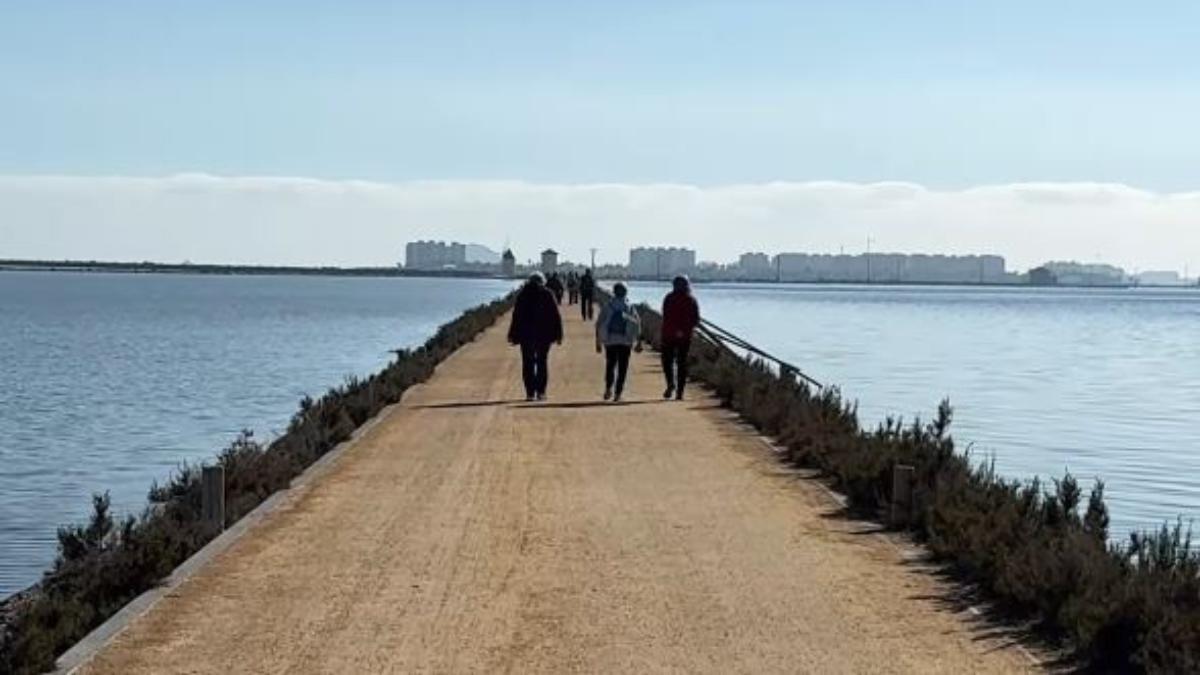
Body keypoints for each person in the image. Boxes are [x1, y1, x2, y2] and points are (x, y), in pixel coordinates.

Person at [508, 273, 563, 401]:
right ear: (542, 281)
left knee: (528, 363)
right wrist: (558, 334)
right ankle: (541, 392)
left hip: (526, 335)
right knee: (542, 362)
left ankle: (530, 393)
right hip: (544, 335)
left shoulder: (523, 294)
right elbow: (555, 316)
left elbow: (516, 316)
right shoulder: (548, 294)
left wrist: (513, 334)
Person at [594, 282, 642, 402]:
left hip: (610, 341)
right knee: (622, 368)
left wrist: (598, 342)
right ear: (625, 292)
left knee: (610, 366)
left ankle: (608, 388)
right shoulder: (629, 307)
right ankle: (618, 393)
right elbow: (637, 324)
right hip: (625, 342)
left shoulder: (608, 306)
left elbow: (599, 324)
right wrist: (638, 341)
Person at [660, 275, 699, 400]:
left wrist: (674, 330)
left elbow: (665, 315)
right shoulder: (691, 300)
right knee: (682, 363)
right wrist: (683, 330)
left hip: (668, 334)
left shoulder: (669, 298)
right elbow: (695, 320)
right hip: (685, 336)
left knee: (667, 361)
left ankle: (670, 383)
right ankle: (680, 392)